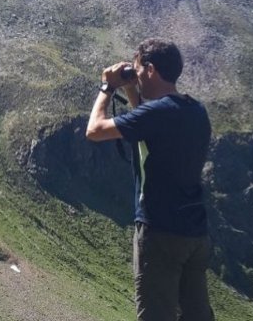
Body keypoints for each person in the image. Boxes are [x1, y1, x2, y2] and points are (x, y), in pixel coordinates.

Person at [85, 38, 214, 321]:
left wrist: (107, 87)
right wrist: (131, 87)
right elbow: (149, 126)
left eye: (139, 69)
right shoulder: (195, 110)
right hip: (195, 233)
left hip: (160, 231)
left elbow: (94, 130)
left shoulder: (157, 113)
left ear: (151, 69)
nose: (137, 74)